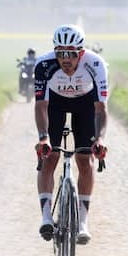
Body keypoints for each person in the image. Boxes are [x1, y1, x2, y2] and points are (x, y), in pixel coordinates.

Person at [34, 24, 109, 244]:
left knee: (85, 160)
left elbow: (101, 109)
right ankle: (46, 217)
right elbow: (40, 106)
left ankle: (83, 221)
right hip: (55, 104)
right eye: (61, 54)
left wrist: (100, 138)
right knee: (50, 157)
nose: (66, 60)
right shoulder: (44, 65)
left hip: (85, 105)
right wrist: (43, 137)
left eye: (71, 54)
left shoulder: (96, 64)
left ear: (81, 53)